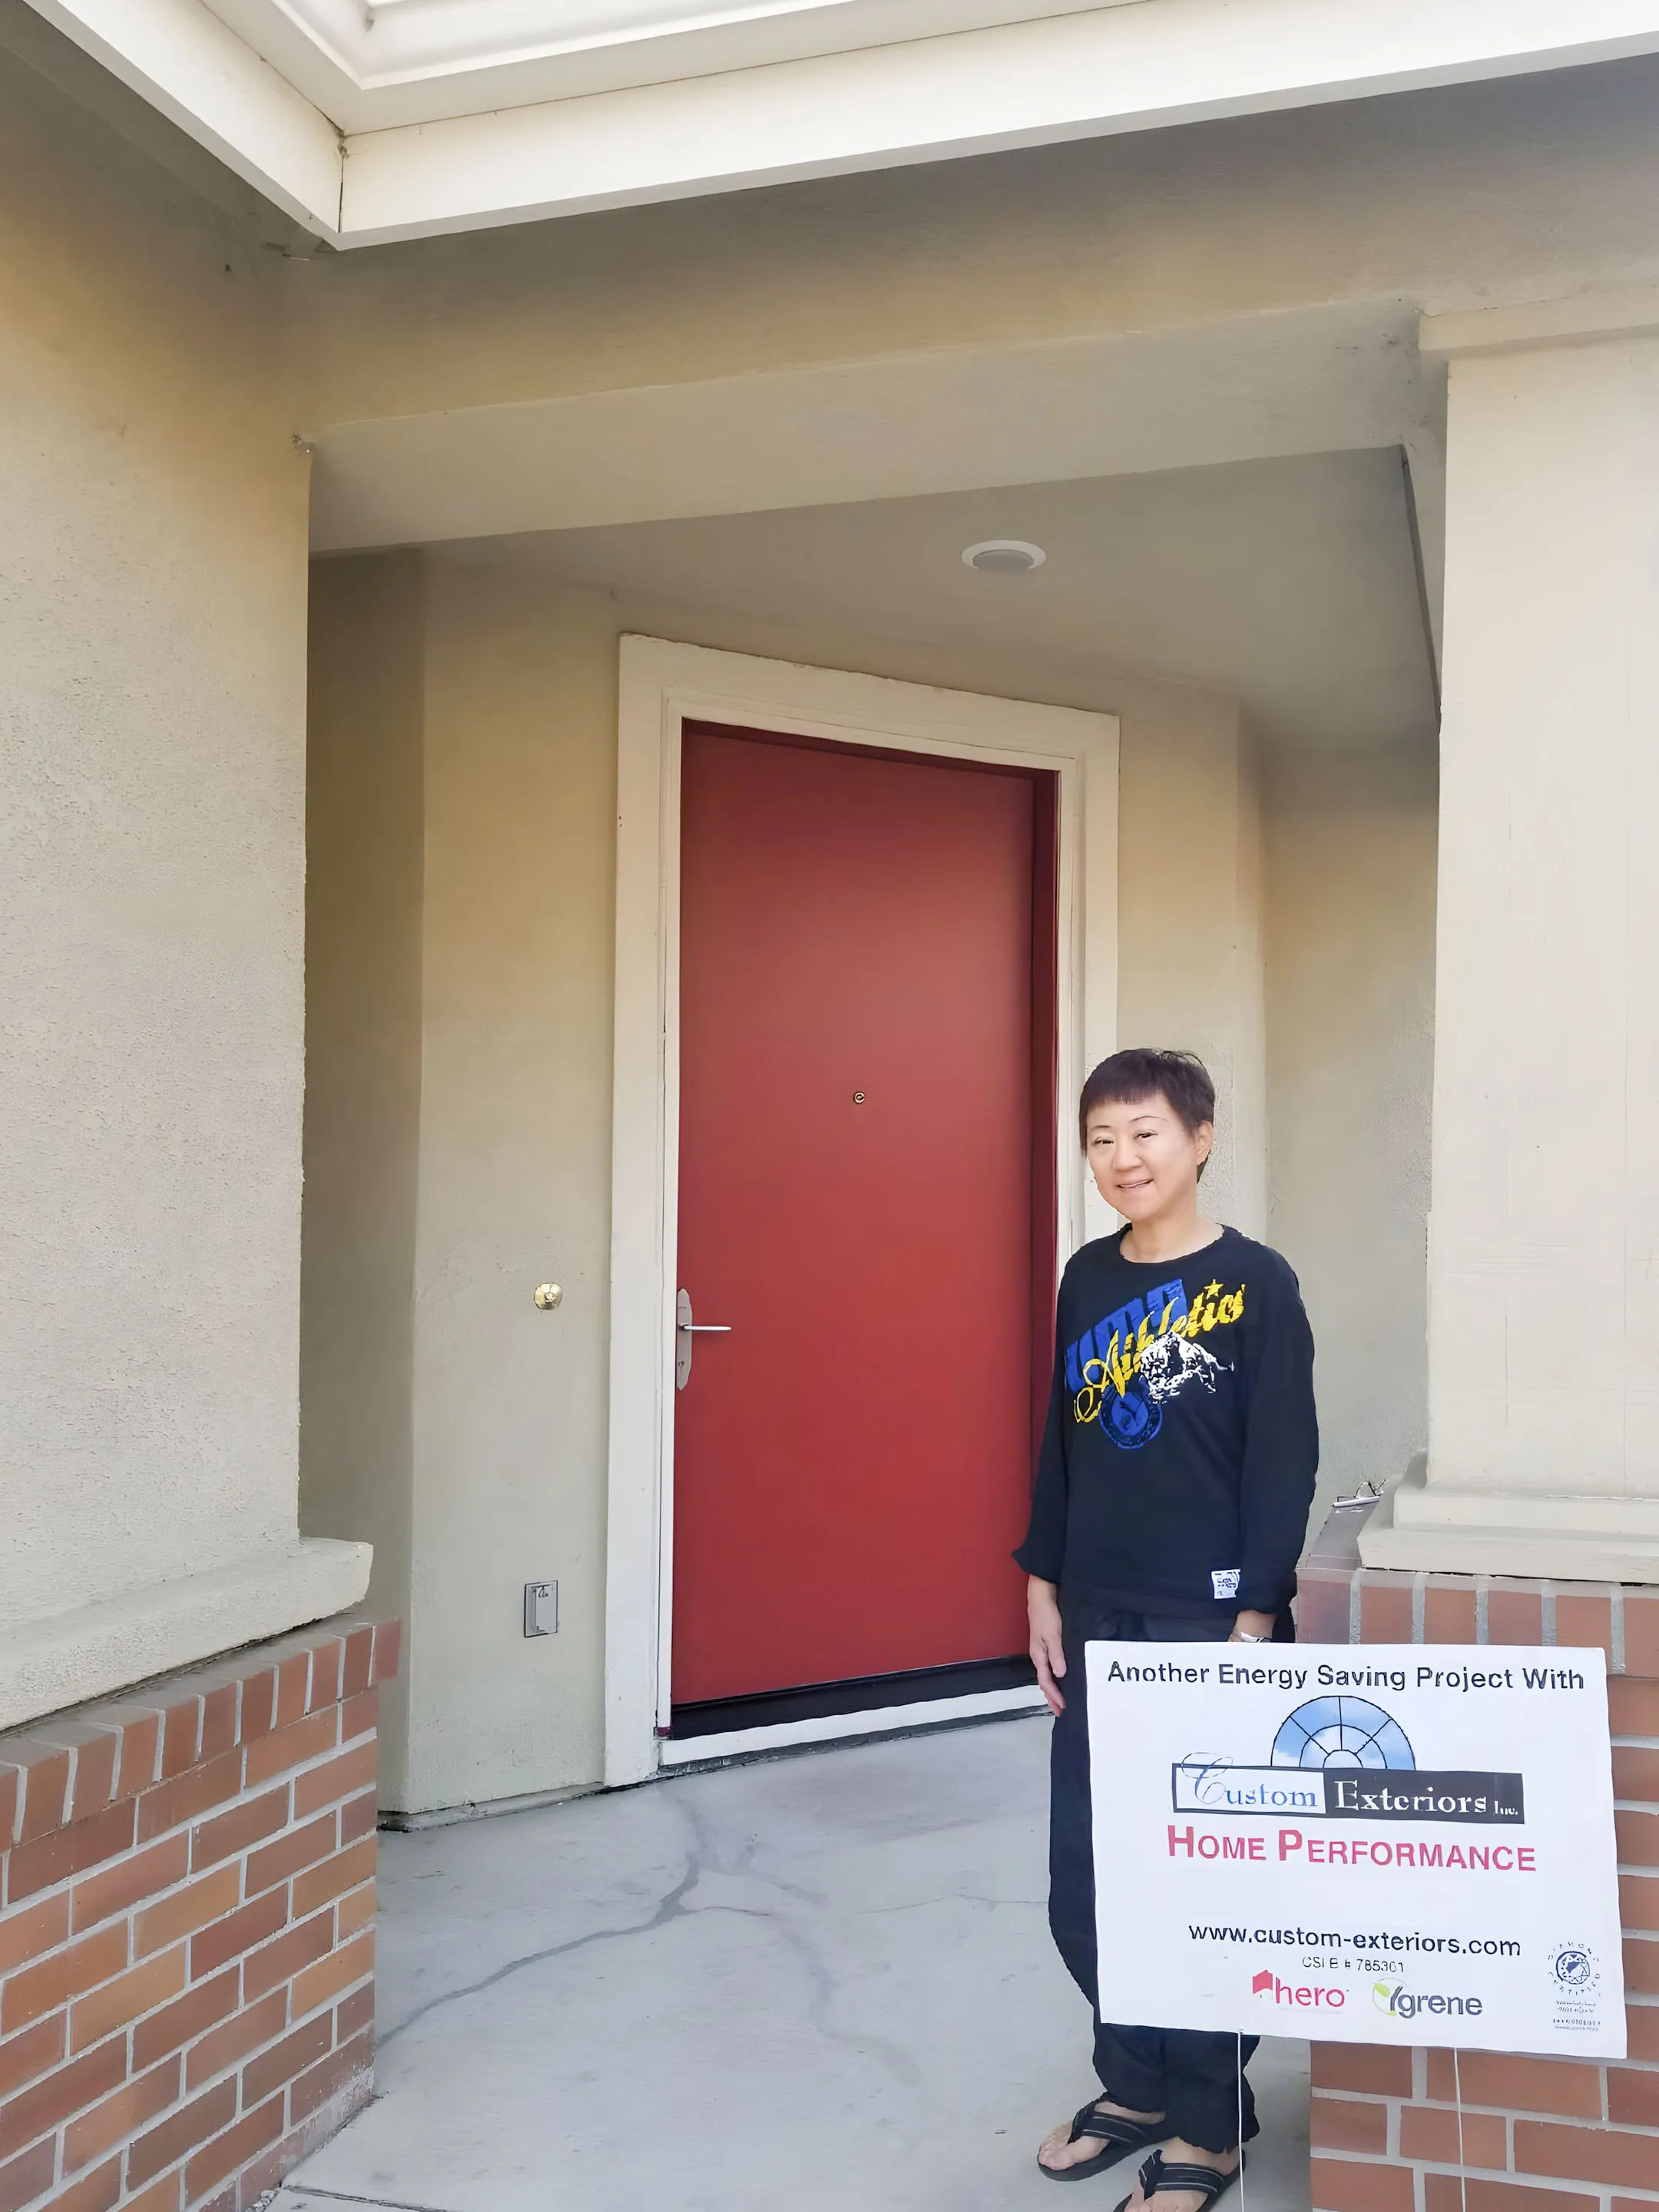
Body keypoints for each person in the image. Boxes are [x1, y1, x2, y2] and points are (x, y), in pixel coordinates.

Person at [1016, 1048, 1317, 2204]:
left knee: (1201, 1877)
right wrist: (1041, 1576)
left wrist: (1255, 1615)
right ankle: (1135, 2080)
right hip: (1098, 1605)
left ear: (1199, 1139)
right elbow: (1062, 1437)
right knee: (1091, 1872)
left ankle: (1209, 2123)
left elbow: (1282, 1459)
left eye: (1144, 1133)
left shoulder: (1259, 1281)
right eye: (1100, 1139)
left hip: (1210, 1621)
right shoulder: (1086, 1279)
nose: (1122, 1158)